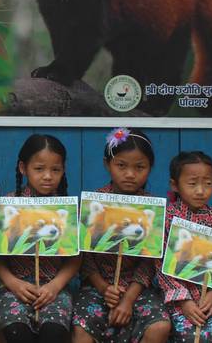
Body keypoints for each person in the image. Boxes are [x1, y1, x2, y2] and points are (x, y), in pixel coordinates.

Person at [72, 128, 170, 343]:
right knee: (81, 331)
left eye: (139, 167)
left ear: (150, 168)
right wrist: (103, 288)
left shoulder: (151, 207)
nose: (130, 174)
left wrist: (128, 299)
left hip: (137, 289)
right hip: (97, 287)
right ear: (108, 164)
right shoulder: (95, 204)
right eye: (121, 166)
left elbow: (149, 261)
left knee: (160, 326)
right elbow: (84, 256)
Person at [0, 134, 80, 343]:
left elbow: (76, 257)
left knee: (53, 333)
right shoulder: (9, 205)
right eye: (39, 169)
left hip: (54, 288)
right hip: (15, 288)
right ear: (23, 168)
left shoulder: (67, 209)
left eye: (55, 170)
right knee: (17, 332)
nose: (48, 176)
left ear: (63, 170)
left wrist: (55, 286)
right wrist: (12, 283)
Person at [157, 151, 212, 342]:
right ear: (175, 185)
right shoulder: (167, 219)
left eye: (208, 184)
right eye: (192, 184)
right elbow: (161, 265)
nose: (200, 190)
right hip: (180, 302)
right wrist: (185, 301)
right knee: (187, 336)